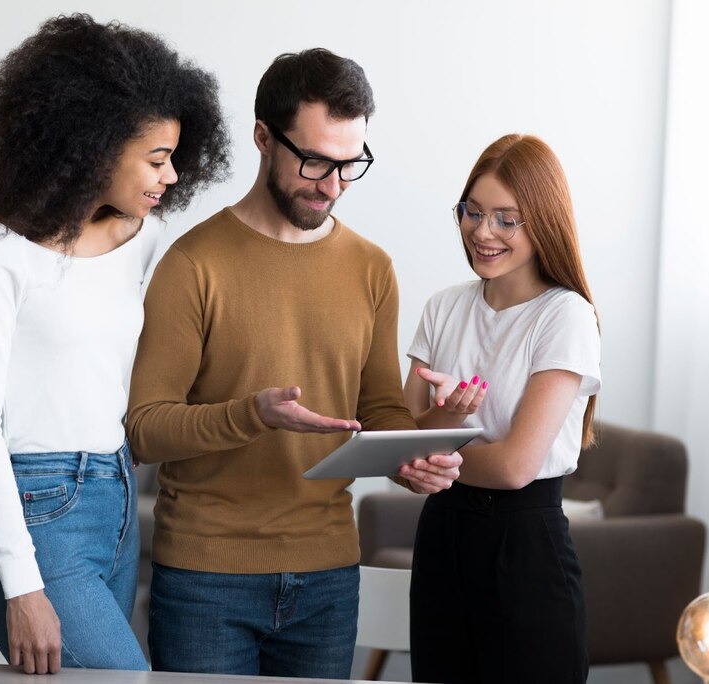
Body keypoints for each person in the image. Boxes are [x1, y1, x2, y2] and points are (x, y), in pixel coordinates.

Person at [125, 47, 461, 679]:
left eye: (350, 164)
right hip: (206, 576)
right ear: (262, 137)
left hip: (329, 574)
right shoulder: (193, 264)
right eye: (314, 161)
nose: (332, 186)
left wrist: (417, 452)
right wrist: (251, 414)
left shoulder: (371, 268)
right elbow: (144, 427)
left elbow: (380, 410)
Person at [0, 14, 229, 674]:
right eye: (156, 160)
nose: (172, 177)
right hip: (40, 507)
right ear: (93, 146)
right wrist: (21, 585)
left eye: (175, 159)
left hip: (118, 492)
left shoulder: (142, 237)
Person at [404, 134, 602, 684]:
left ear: (543, 222)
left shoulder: (565, 315)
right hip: (442, 537)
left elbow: (517, 466)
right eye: (472, 212)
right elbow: (402, 440)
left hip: (525, 547)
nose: (482, 232)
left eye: (505, 219)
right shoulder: (444, 307)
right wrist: (435, 432)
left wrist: (432, 449)